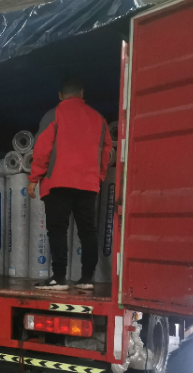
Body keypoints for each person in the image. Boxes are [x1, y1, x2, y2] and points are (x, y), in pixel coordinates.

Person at [28, 76, 113, 291]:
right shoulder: (99, 118)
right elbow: (106, 151)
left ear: (60, 95)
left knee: (58, 230)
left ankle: (59, 278)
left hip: (58, 182)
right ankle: (87, 279)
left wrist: (34, 178)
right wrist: (99, 177)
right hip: (88, 184)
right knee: (88, 231)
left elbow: (42, 149)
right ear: (82, 94)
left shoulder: (53, 114)